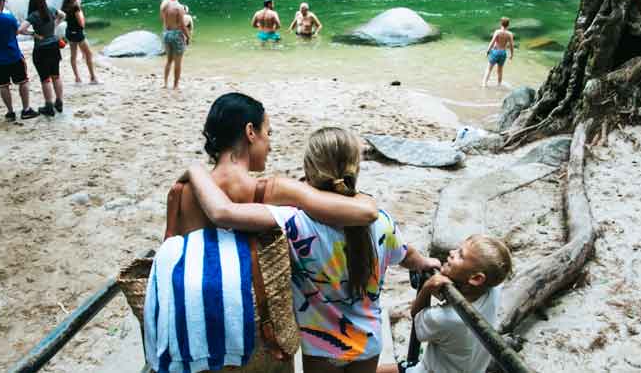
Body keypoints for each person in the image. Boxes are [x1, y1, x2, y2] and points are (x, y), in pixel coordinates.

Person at [153, 94, 386, 371]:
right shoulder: (273, 191)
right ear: (250, 132)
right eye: (268, 133)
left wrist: (195, 171)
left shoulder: (183, 192)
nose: (270, 144)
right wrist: (367, 201)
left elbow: (172, 255)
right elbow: (360, 212)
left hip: (198, 328)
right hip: (258, 329)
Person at [186, 126, 440, 372]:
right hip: (368, 341)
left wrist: (196, 172)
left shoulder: (293, 221)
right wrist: (424, 263)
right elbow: (406, 254)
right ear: (355, 168)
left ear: (309, 168)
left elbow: (223, 213)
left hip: (320, 345)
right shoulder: (380, 220)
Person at [376, 236, 512, 373]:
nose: (452, 252)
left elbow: (416, 318)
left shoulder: (445, 319)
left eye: (460, 255)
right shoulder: (492, 290)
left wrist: (427, 288)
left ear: (476, 278)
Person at [0, 0, 38, 121]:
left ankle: (10, 112)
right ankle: (26, 109)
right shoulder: (9, 18)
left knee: (3, 86)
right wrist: (32, 34)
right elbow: (17, 31)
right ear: (1, 2)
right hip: (13, 55)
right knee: (23, 82)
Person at [20, 0, 65, 117]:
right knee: (56, 75)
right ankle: (59, 102)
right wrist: (54, 26)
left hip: (41, 49)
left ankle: (49, 105)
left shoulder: (34, 15)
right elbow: (62, 15)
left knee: (45, 79)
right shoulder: (51, 9)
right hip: (54, 46)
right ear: (44, 0)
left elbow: (21, 29)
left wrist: (33, 34)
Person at [60, 0, 99, 84]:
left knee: (73, 56)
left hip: (69, 32)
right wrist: (81, 13)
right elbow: (82, 24)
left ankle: (77, 78)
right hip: (78, 33)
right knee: (89, 54)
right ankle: (93, 77)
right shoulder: (75, 6)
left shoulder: (64, 5)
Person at [160, 0, 190, 89]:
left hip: (166, 33)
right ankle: (175, 85)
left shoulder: (164, 3)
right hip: (176, 34)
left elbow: (162, 19)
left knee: (169, 60)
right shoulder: (179, 7)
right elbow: (182, 25)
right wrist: (188, 37)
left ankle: (165, 83)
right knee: (178, 61)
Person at [481, 17, 515, 87]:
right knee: (500, 70)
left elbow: (492, 42)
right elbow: (511, 45)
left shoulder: (497, 32)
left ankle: (484, 84)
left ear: (501, 24)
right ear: (508, 25)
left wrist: (488, 51)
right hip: (503, 53)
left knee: (489, 69)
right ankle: (499, 84)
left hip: (495, 52)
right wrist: (512, 54)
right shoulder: (510, 34)